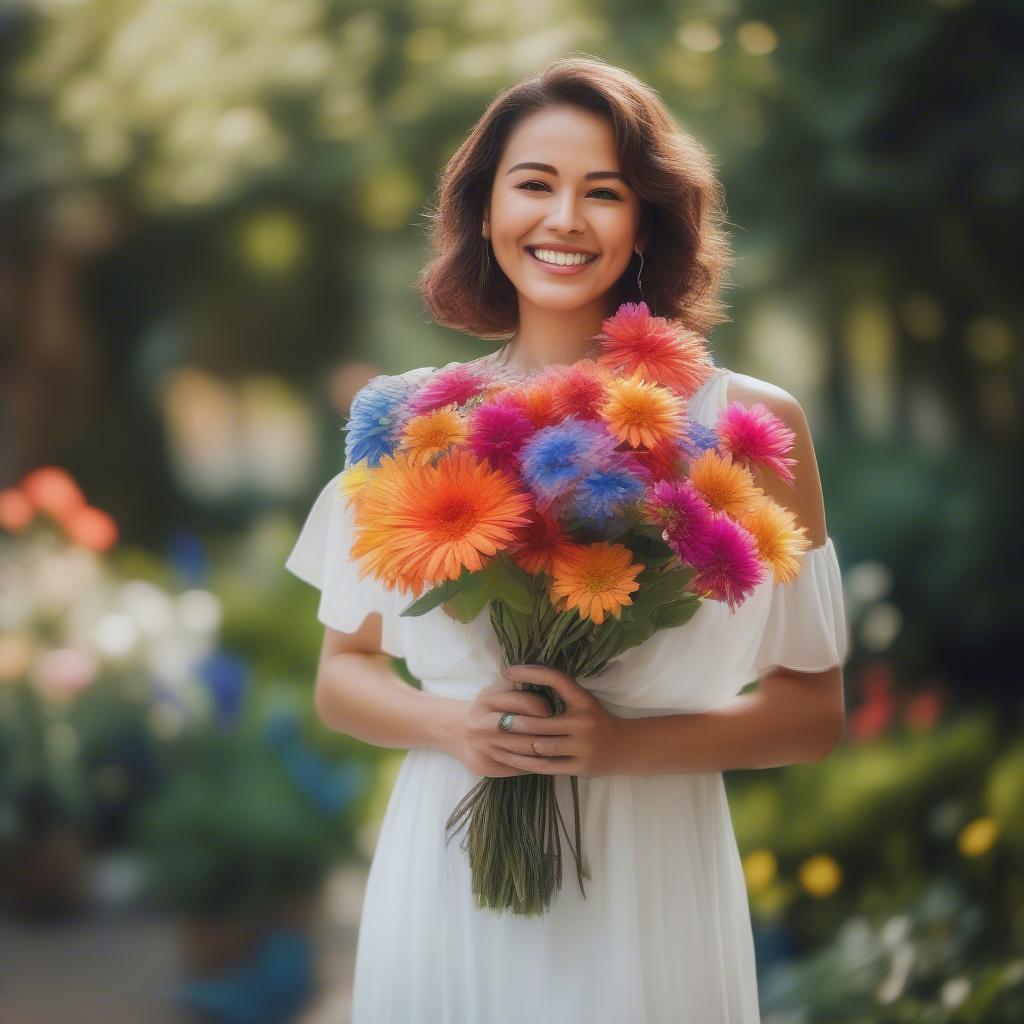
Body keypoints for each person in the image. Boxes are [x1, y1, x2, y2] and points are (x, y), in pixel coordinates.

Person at [286, 55, 849, 1023]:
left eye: (603, 192)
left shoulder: (749, 425)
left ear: (645, 220)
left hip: (649, 873)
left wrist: (619, 746)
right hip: (446, 872)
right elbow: (342, 677)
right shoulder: (412, 424)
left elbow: (812, 710)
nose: (563, 220)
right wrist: (456, 726)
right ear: (484, 209)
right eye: (534, 185)